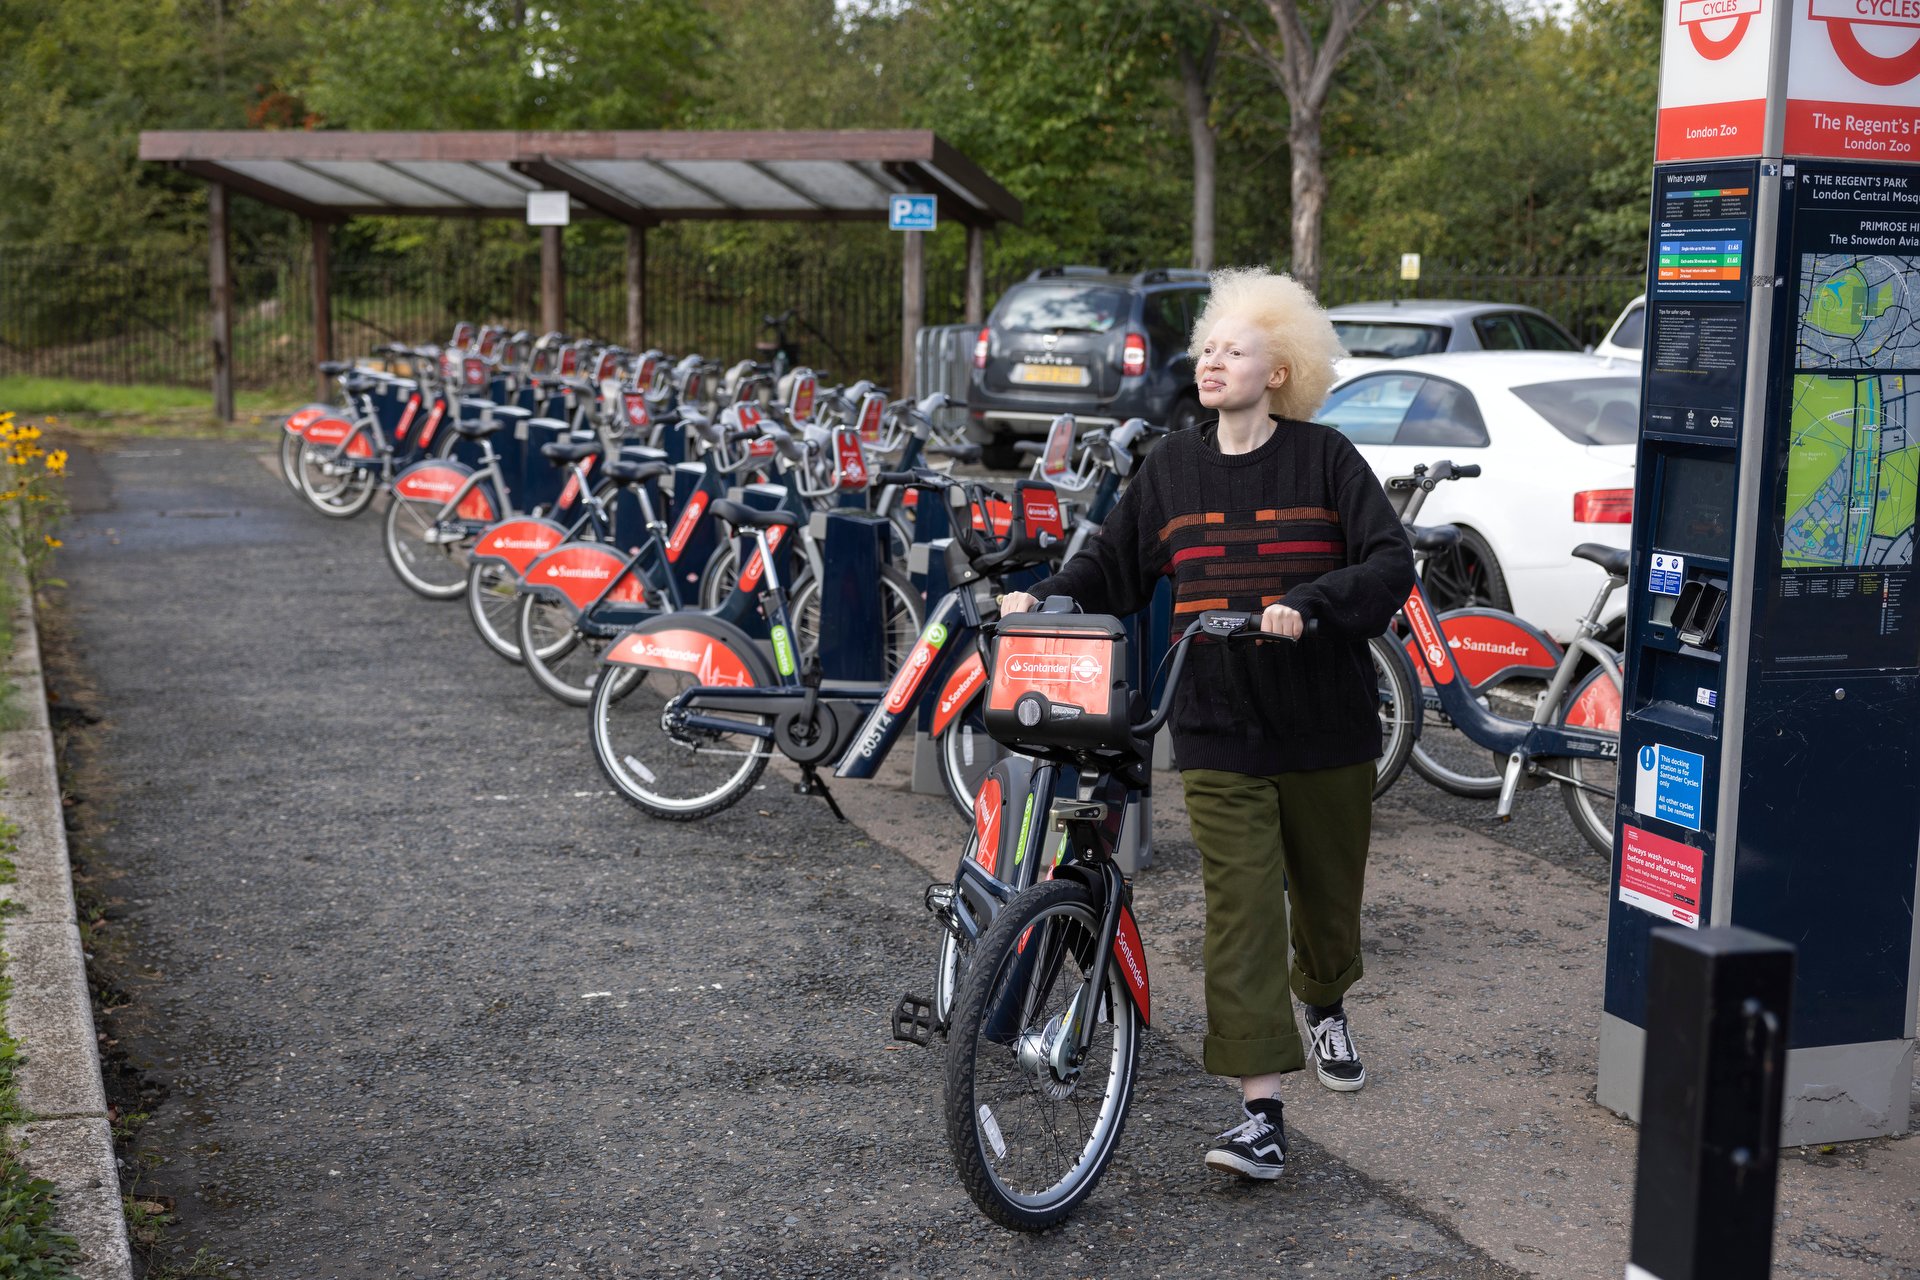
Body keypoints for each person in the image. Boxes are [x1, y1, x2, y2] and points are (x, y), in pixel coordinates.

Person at [999, 266, 1414, 1181]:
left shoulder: (1326, 458)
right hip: (1217, 722)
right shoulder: (1171, 469)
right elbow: (1112, 566)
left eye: (1236, 349)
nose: (1214, 360)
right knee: (1240, 912)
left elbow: (1392, 565)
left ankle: (1326, 996)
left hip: (1325, 726)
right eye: (1209, 347)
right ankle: (1260, 1112)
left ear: (1280, 371)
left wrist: (1311, 602)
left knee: (1327, 907)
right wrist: (1049, 595)